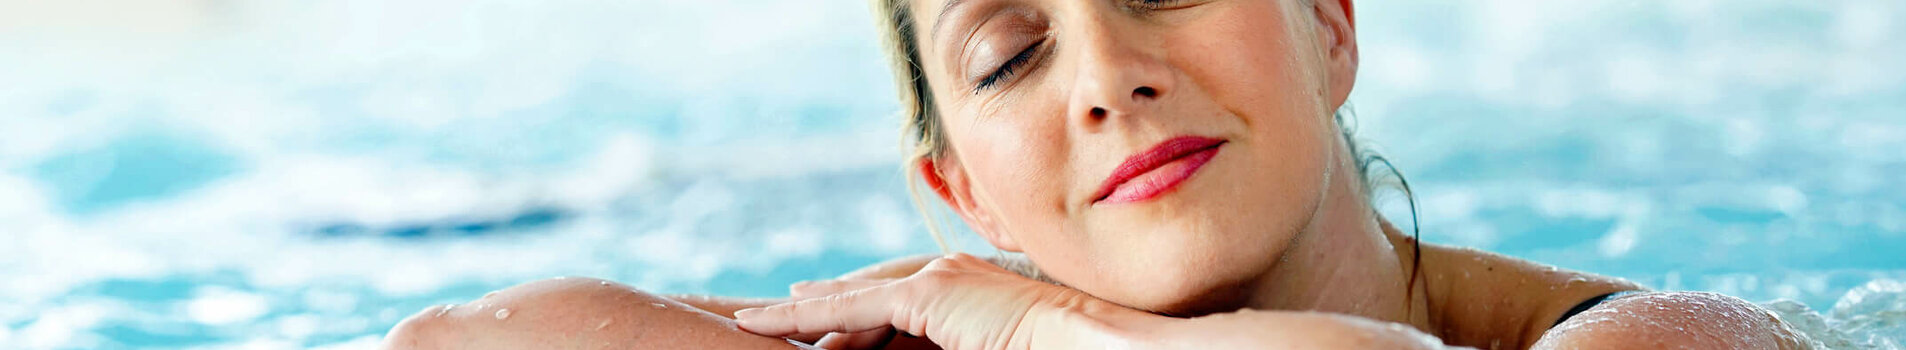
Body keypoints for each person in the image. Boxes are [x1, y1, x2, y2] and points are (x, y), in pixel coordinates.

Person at [381, 0, 1810, 348]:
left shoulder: (1650, 330)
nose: (1105, 74)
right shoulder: (940, 316)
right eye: (1009, 53)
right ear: (963, 198)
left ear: (1328, 24)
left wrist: (1034, 325)